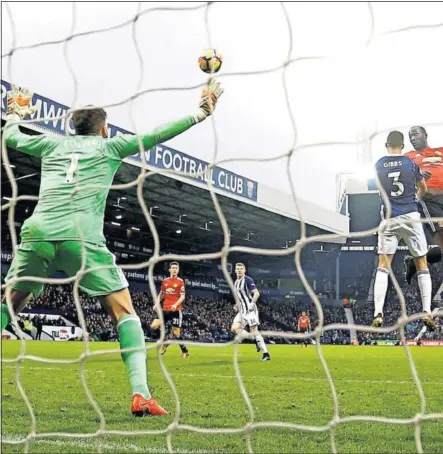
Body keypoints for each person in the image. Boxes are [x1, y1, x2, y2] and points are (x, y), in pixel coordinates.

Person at [1, 80, 223, 416]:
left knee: (11, 302)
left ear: (73, 128)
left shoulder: (52, 146)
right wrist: (201, 112)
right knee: (125, 313)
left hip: (38, 233)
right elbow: (157, 135)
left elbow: (10, 137)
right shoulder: (110, 147)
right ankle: (141, 395)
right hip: (82, 239)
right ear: (103, 128)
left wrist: (15, 112)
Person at [373, 131, 434, 330]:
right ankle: (426, 311)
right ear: (403, 145)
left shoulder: (379, 165)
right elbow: (423, 189)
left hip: (389, 218)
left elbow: (380, 191)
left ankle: (378, 312)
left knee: (383, 265)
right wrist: (415, 197)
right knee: (421, 263)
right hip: (410, 215)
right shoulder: (410, 163)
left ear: (386, 144)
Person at [404, 126, 443, 284]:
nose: (412, 138)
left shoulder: (440, 151)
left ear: (425, 135)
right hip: (429, 200)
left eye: (415, 134)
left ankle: (415, 262)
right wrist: (416, 174)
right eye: (410, 136)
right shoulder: (408, 157)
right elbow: (399, 178)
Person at [231, 263, 270, 361]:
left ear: (244, 271)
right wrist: (236, 305)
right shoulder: (236, 282)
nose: (239, 270)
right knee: (234, 329)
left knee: (254, 331)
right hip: (242, 311)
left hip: (250, 310)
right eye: (237, 269)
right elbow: (239, 297)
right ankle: (254, 340)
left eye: (241, 269)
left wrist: (252, 303)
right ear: (235, 271)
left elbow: (256, 293)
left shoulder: (248, 280)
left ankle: (266, 354)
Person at [150, 262, 189, 359]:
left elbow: (183, 296)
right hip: (165, 309)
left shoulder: (180, 282)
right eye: (173, 268)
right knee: (154, 326)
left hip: (176, 310)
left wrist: (175, 305)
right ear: (170, 270)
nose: (175, 269)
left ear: (178, 270)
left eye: (176, 268)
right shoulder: (165, 281)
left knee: (176, 333)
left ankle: (185, 351)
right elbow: (161, 294)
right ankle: (165, 340)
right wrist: (156, 303)